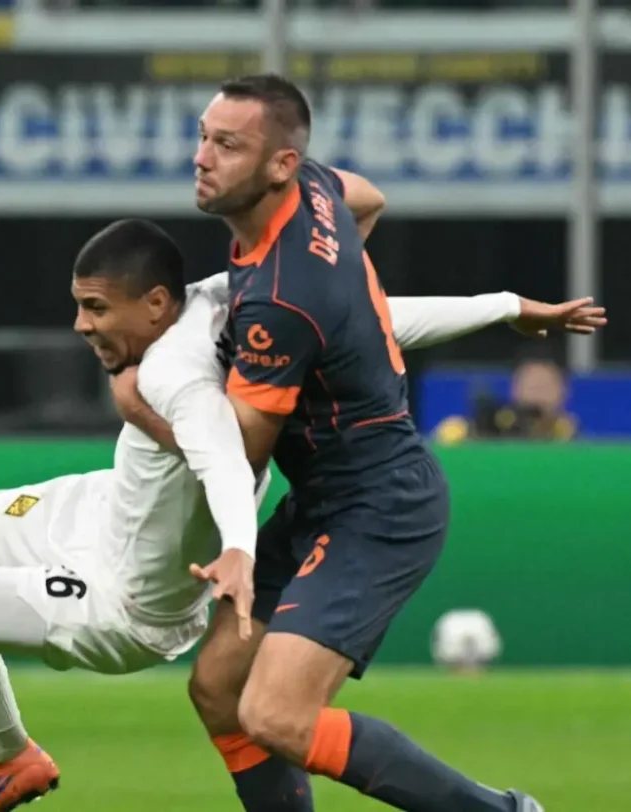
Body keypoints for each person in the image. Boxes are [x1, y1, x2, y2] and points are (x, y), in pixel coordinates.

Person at [0, 218, 599, 812]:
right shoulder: (226, 304)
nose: (82, 326)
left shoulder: (177, 377)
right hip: (96, 509)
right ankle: (8, 756)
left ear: (155, 304)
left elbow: (223, 458)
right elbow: (381, 317)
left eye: (97, 308)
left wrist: (235, 548)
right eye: (79, 305)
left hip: (118, 603)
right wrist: (508, 304)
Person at [133, 73, 590, 812]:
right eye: (203, 136)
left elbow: (242, 451)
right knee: (218, 687)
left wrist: (146, 394)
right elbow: (368, 199)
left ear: (279, 164)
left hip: (379, 505)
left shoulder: (283, 302)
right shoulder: (314, 190)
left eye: (227, 145)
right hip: (327, 498)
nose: (202, 157)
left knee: (276, 715)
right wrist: (347, 297)